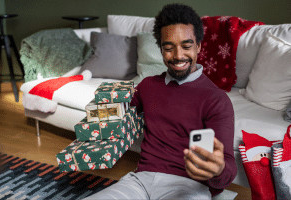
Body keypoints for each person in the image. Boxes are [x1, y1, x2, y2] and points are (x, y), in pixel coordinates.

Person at [84, 3, 237, 199]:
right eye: (169, 48)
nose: (178, 55)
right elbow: (117, 110)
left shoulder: (217, 99)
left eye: (186, 46)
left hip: (188, 187)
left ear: (198, 46)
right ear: (161, 50)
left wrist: (219, 169)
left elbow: (228, 167)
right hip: (139, 181)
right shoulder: (148, 85)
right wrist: (96, 113)